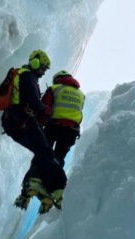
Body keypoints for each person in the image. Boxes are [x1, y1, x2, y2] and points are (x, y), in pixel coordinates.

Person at [0, 50, 63, 214]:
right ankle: (59, 189)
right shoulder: (28, 76)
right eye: (42, 68)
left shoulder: (23, 75)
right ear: (35, 62)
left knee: (41, 152)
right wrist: (47, 111)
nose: (43, 73)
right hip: (23, 121)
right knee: (46, 151)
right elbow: (35, 103)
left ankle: (36, 182)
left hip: (11, 124)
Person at [39, 70, 85, 208]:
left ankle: (40, 182)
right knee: (59, 159)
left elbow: (44, 108)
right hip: (71, 131)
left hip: (54, 127)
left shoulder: (54, 88)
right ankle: (57, 189)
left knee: (44, 154)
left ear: (57, 79)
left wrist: (38, 124)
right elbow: (79, 113)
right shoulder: (81, 95)